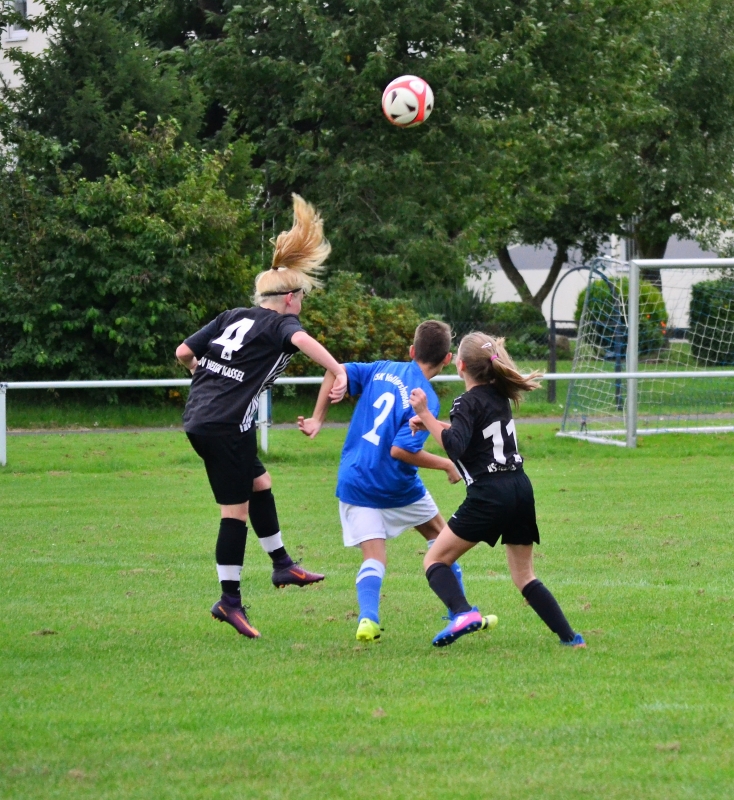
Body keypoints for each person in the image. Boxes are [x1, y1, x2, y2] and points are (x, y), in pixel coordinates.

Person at [176, 194, 348, 639]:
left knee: (261, 483)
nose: (302, 303)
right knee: (234, 513)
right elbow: (304, 342)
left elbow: (183, 352)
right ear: (289, 298)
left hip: (202, 417)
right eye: (302, 297)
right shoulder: (281, 325)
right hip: (226, 426)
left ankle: (282, 565)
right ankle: (229, 601)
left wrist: (206, 377)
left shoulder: (233, 315)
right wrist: (339, 370)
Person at [298, 320, 486, 643]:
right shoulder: (424, 398)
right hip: (397, 485)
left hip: (357, 479)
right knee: (442, 540)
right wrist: (446, 464)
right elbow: (400, 450)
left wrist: (318, 417)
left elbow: (335, 370)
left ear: (411, 351)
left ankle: (368, 619)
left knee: (374, 556)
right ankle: (460, 612)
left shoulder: (380, 369)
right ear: (446, 359)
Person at [409, 332, 586, 649]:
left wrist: (424, 414)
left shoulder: (464, 402)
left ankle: (463, 614)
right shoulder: (497, 397)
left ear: (461, 365)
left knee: (435, 560)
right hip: (519, 488)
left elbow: (455, 445)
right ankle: (571, 638)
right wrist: (435, 424)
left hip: (490, 493)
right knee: (524, 576)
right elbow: (474, 435)